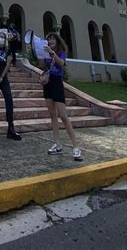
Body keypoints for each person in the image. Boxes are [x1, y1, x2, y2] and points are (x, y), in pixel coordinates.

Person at [40, 32, 82, 160]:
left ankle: (76, 147)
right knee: (52, 114)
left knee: (63, 116)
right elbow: (43, 67)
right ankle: (58, 144)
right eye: (49, 39)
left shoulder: (60, 52)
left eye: (53, 39)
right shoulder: (45, 52)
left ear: (57, 41)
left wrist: (52, 53)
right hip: (48, 83)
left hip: (57, 83)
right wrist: (42, 76)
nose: (51, 41)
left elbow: (61, 63)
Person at [0, 32, 22, 141]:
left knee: (9, 99)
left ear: (5, 40)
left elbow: (8, 64)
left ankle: (10, 128)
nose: (0, 38)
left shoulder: (7, 51)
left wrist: (2, 77)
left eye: (2, 37)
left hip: (3, 78)